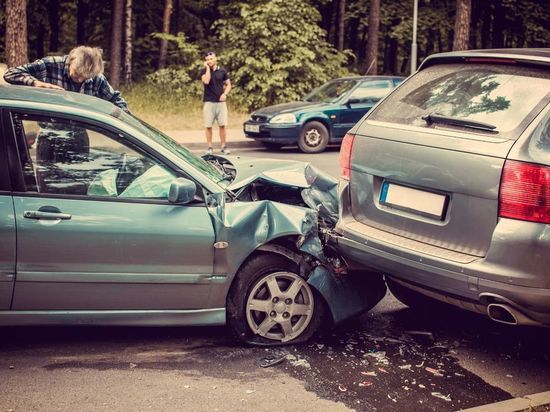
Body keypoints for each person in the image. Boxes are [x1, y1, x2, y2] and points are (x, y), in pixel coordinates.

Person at [3, 46, 129, 111]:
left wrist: (127, 123)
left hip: (79, 135)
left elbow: (116, 100)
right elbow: (11, 74)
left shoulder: (96, 78)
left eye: (85, 78)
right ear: (71, 60)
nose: (80, 80)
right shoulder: (50, 64)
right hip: (49, 134)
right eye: (77, 74)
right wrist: (37, 83)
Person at [200, 51, 231, 155]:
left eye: (211, 59)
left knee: (222, 125)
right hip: (209, 102)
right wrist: (208, 68)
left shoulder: (222, 71)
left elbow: (228, 84)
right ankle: (209, 147)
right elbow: (206, 81)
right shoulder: (203, 71)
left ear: (215, 59)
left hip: (221, 103)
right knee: (208, 126)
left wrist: (225, 94)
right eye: (207, 60)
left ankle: (223, 146)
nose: (209, 61)